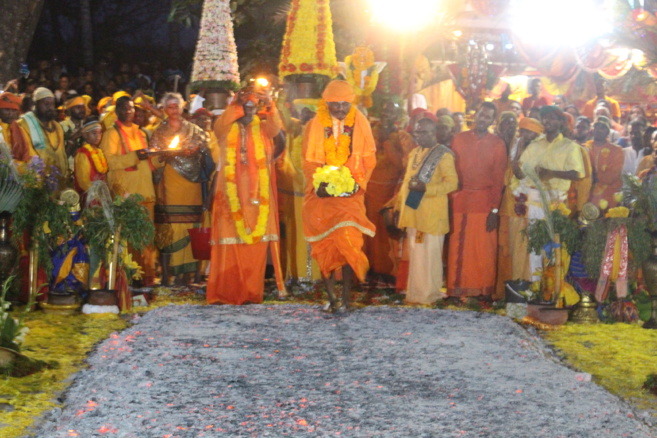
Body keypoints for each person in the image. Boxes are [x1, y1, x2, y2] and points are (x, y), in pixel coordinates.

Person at [206, 85, 286, 305]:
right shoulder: (226, 128)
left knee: (255, 245)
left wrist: (270, 102)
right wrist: (236, 102)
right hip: (229, 198)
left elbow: (276, 126)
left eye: (253, 107)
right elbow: (219, 125)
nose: (249, 111)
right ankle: (225, 293)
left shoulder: (263, 129)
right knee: (229, 244)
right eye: (245, 107)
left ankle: (251, 293)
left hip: (257, 197)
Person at [302, 80, 376, 312]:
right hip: (321, 194)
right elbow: (308, 160)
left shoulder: (360, 123)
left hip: (350, 195)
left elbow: (368, 160)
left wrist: (356, 184)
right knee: (324, 246)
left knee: (347, 241)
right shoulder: (315, 125)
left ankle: (346, 299)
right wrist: (319, 184)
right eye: (335, 104)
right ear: (327, 103)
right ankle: (332, 298)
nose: (340, 109)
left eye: (345, 104)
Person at [393, 116, 457, 305]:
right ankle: (415, 295)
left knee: (430, 256)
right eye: (417, 132)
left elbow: (452, 183)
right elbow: (407, 182)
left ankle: (430, 296)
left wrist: (426, 190)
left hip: (432, 215)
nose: (419, 136)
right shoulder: (414, 153)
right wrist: (399, 206)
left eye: (424, 132)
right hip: (414, 212)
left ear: (434, 132)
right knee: (417, 255)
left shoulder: (443, 154)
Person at [447, 102, 507, 301]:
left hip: (484, 202)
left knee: (482, 249)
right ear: (475, 114)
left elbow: (499, 180)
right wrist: (450, 199)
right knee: (457, 246)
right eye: (481, 114)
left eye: (488, 117)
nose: (483, 119)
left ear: (492, 121)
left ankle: (482, 291)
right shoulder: (458, 139)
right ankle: (456, 289)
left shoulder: (498, 144)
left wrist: (495, 210)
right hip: (460, 199)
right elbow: (450, 172)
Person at [150, 93, 210, 286]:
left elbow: (205, 151)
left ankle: (188, 276)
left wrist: (196, 151)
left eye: (176, 107)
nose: (173, 111)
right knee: (169, 229)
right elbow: (152, 157)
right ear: (165, 110)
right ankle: (167, 276)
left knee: (189, 229)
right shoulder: (159, 131)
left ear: (183, 107)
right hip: (169, 184)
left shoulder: (194, 130)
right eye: (169, 107)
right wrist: (163, 155)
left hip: (191, 186)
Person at [518, 105, 585, 279]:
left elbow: (578, 174)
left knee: (555, 245)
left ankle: (554, 289)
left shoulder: (569, 146)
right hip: (534, 199)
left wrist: (551, 173)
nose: (547, 121)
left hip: (556, 200)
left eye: (552, 118)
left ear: (561, 122)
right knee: (535, 245)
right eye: (545, 118)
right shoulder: (534, 146)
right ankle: (535, 285)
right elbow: (521, 170)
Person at [100, 95, 161, 286]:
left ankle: (146, 278)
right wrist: (136, 155)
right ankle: (127, 279)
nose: (129, 112)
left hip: (145, 191)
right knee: (128, 238)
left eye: (132, 109)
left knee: (146, 239)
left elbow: (147, 161)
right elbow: (109, 162)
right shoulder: (111, 133)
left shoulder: (141, 133)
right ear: (117, 111)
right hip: (125, 194)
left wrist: (162, 156)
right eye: (125, 109)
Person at [364, 100, 414, 281]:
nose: (387, 116)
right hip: (368, 189)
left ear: (397, 117)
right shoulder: (371, 132)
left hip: (389, 192)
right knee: (368, 231)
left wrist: (386, 143)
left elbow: (403, 164)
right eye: (384, 112)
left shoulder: (402, 137)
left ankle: (386, 271)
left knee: (385, 233)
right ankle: (367, 268)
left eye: (391, 113)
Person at [496, 118, 544, 296]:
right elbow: (514, 173)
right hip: (514, 205)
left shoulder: (542, 150)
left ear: (537, 135)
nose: (523, 135)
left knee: (535, 251)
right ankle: (516, 296)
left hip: (537, 205)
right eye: (522, 131)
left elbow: (525, 173)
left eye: (528, 132)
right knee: (516, 249)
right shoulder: (516, 146)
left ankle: (535, 293)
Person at [11, 87, 68, 179]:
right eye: (46, 104)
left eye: (52, 104)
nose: (50, 107)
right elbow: (26, 154)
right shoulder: (24, 123)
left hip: (58, 179)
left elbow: (61, 153)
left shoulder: (57, 126)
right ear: (35, 104)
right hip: (37, 180)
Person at [585, 116, 624, 210]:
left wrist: (591, 176)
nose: (598, 130)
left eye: (602, 127)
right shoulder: (584, 148)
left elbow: (611, 176)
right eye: (596, 126)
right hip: (586, 198)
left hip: (608, 199)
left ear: (608, 132)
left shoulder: (616, 151)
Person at [74, 118, 107, 197]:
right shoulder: (83, 153)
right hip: (90, 195)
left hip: (101, 194)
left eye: (100, 133)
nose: (98, 137)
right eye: (94, 133)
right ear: (85, 135)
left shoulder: (98, 151)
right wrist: (97, 194)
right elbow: (83, 181)